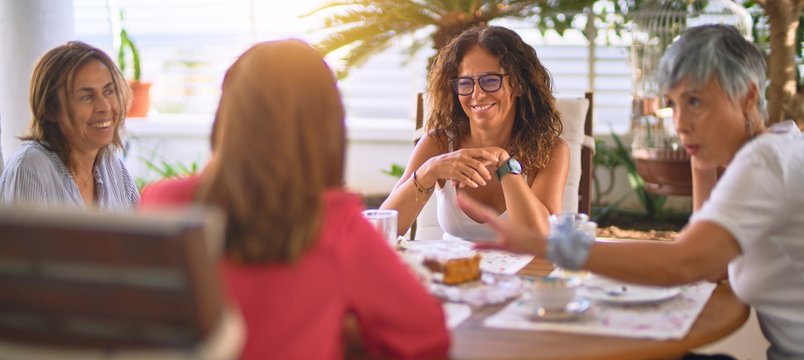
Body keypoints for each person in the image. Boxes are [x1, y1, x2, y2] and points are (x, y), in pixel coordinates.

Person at [462, 24, 804, 360]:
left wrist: (554, 247)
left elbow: (686, 263)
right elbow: (711, 266)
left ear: (748, 96)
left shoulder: (763, 163)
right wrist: (701, 165)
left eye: (696, 102)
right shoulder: (779, 146)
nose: (680, 124)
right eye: (674, 104)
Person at [140, 40, 450, 360]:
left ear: (226, 114)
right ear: (327, 127)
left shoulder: (161, 201)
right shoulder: (334, 224)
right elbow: (427, 337)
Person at [380, 25, 569, 241]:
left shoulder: (550, 150)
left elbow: (541, 239)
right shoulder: (439, 143)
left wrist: (506, 166)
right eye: (466, 83)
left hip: (523, 273)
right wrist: (429, 171)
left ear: (517, 84)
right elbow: (384, 228)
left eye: (490, 81)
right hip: (450, 272)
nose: (477, 95)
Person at [0, 41, 139, 209]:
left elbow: (142, 234)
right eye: (87, 97)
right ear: (50, 109)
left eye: (108, 91)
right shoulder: (30, 168)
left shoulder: (111, 165)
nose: (105, 107)